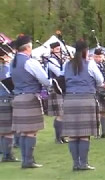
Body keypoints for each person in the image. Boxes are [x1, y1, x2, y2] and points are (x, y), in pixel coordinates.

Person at [61, 40, 105, 171]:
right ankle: (83, 163)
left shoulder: (67, 64)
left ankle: (75, 163)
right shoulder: (90, 64)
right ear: (86, 51)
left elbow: (62, 79)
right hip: (86, 99)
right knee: (84, 134)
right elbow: (100, 80)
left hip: (70, 99)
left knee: (72, 134)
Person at [11, 34, 51, 168]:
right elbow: (44, 80)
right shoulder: (30, 62)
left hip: (18, 97)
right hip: (29, 98)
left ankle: (26, 159)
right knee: (31, 131)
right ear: (28, 47)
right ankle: (28, 161)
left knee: (24, 131)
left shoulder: (13, 62)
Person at [0, 44, 19, 162]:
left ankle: (5, 152)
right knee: (8, 130)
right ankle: (7, 155)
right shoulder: (5, 68)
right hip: (5, 98)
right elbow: (7, 83)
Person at [47, 41, 68, 144]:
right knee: (60, 113)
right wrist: (66, 64)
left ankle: (63, 136)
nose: (58, 51)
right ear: (52, 50)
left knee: (64, 113)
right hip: (55, 87)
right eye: (56, 49)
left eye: (59, 49)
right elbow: (59, 73)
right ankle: (58, 137)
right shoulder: (50, 60)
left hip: (62, 87)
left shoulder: (62, 59)